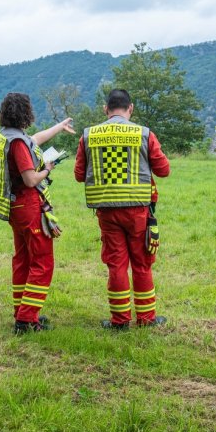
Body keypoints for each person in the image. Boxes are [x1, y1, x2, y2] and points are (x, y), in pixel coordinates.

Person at [74, 89, 170, 330]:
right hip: (138, 211)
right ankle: (147, 319)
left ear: (106, 110)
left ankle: (120, 321)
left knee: (116, 265)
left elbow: (78, 175)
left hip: (106, 211)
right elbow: (164, 170)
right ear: (131, 108)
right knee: (142, 264)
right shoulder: (144, 134)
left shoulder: (88, 135)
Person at [0, 92, 75, 334]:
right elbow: (30, 178)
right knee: (42, 262)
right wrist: (47, 169)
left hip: (15, 206)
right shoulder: (17, 142)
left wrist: (59, 126)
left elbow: (34, 139)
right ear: (26, 113)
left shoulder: (8, 136)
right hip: (28, 205)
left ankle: (22, 311)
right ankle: (26, 320)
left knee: (23, 260)